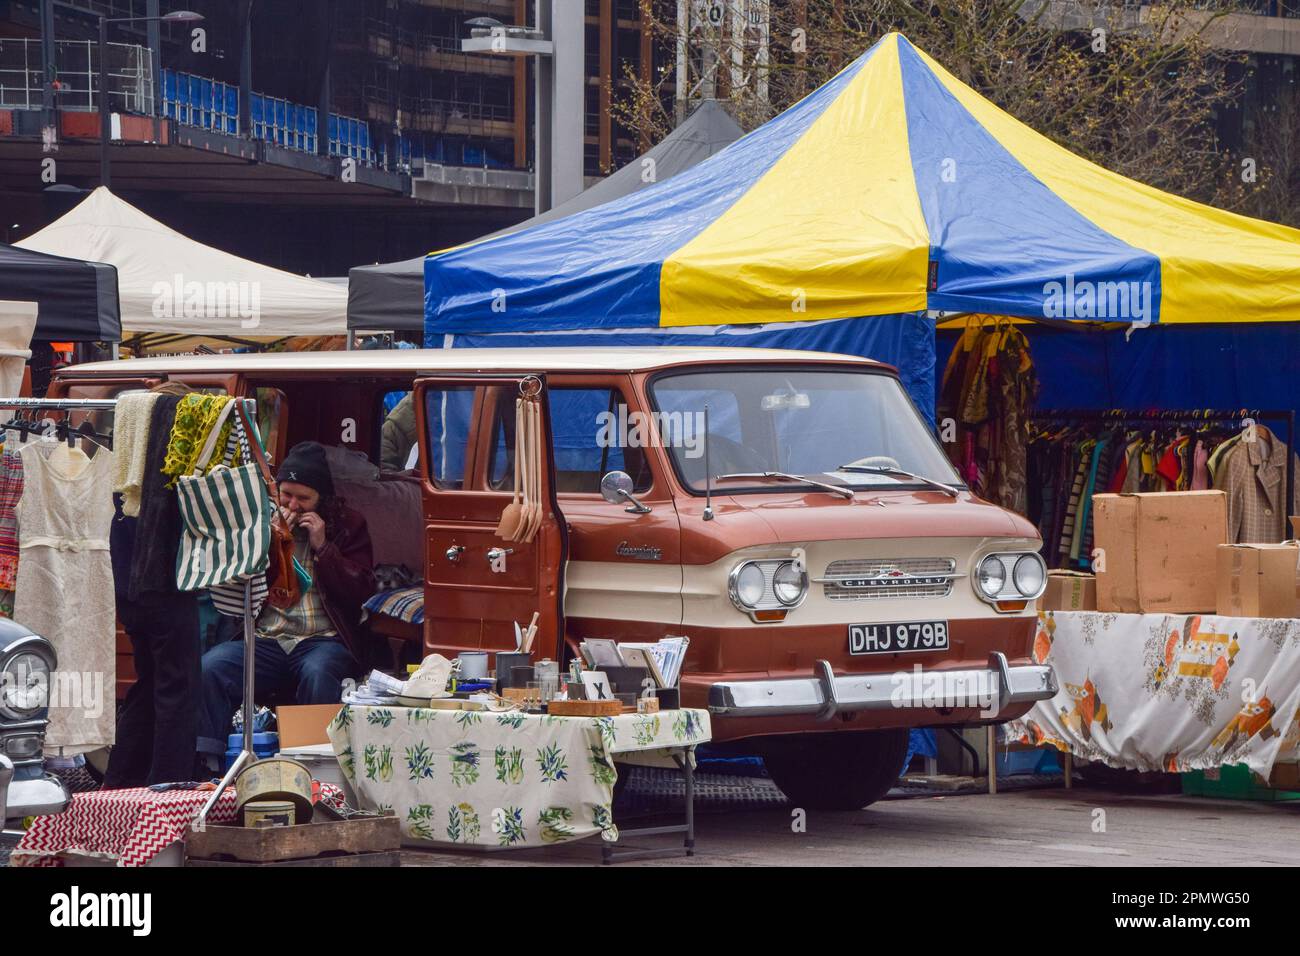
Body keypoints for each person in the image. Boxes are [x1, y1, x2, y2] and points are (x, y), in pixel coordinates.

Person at [197, 441, 375, 765]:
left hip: (322, 640)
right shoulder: (260, 522)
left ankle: (311, 763)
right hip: (267, 638)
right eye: (286, 494)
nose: (292, 504)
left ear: (322, 498)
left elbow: (359, 592)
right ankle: (208, 763)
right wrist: (269, 541)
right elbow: (238, 577)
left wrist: (324, 548)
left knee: (319, 673)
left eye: (303, 498)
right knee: (211, 667)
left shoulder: (349, 524)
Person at [104, 382, 201, 788]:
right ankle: (168, 787)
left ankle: (120, 782)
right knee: (176, 688)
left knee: (149, 687)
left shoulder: (125, 477)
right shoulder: (164, 477)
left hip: (131, 592)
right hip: (163, 589)